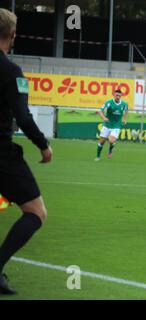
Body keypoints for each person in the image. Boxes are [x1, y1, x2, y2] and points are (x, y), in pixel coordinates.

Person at [0, 8, 52, 294]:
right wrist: (43, 145)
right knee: (35, 212)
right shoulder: (11, 71)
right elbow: (22, 115)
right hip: (2, 155)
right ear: (13, 35)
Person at [95, 89, 128, 161]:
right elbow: (100, 111)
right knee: (101, 142)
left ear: (121, 96)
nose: (118, 97)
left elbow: (126, 111)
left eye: (119, 95)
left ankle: (110, 150)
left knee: (112, 140)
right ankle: (98, 156)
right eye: (116, 95)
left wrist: (124, 119)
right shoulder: (108, 103)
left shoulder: (124, 104)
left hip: (116, 126)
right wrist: (104, 118)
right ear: (114, 95)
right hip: (107, 125)